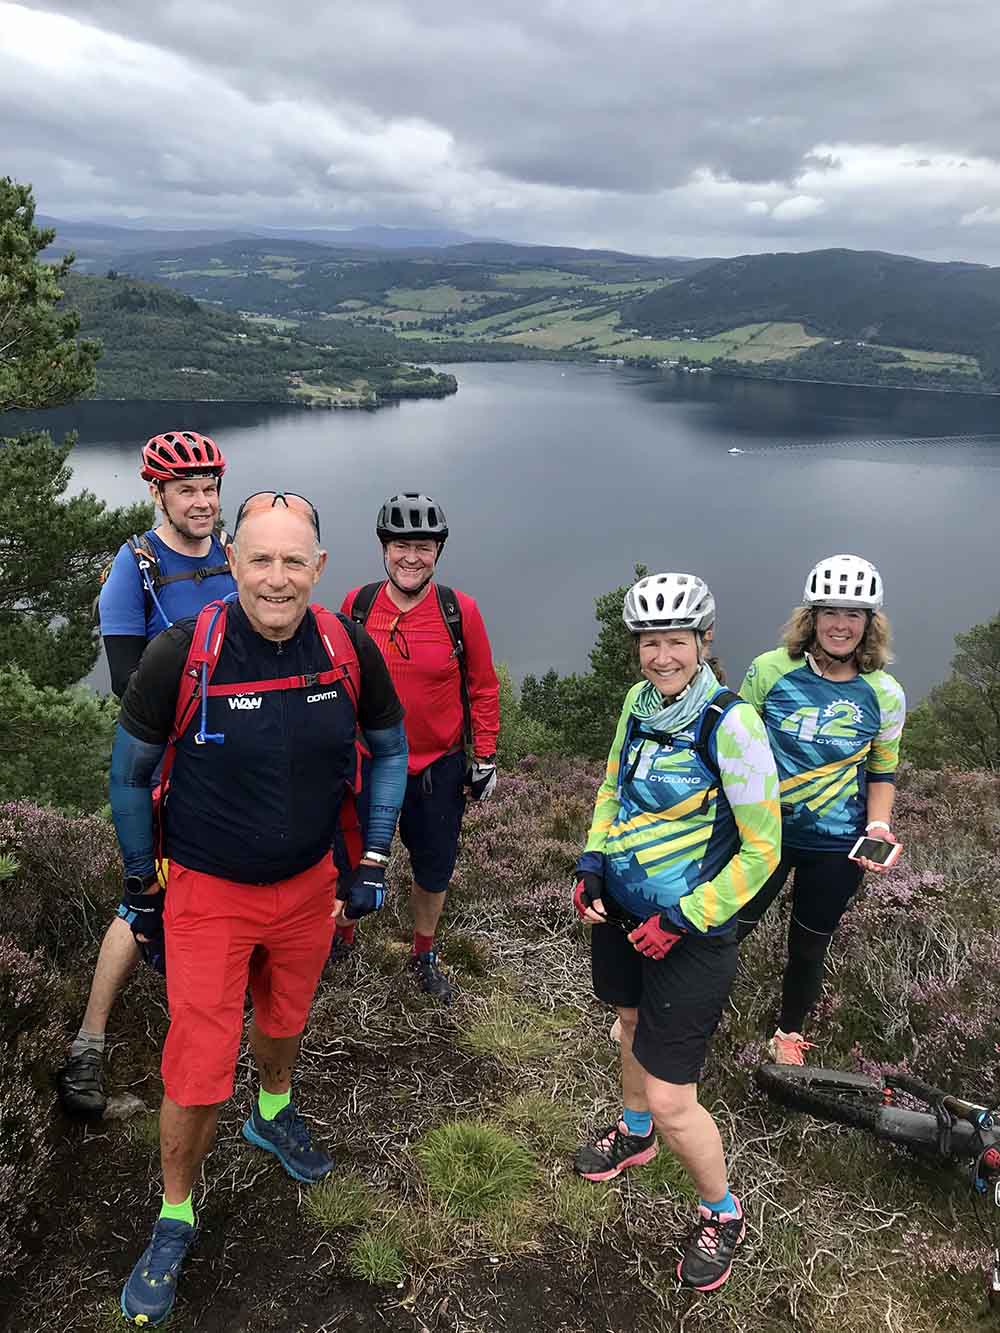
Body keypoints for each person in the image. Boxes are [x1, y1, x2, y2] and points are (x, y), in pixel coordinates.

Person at [110, 493, 408, 1327]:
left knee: (286, 1011)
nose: (277, 579)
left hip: (311, 884)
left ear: (318, 568)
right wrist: (142, 886)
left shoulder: (346, 648)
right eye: (260, 559)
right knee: (199, 1062)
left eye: (294, 562)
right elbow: (129, 775)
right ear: (233, 559)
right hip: (208, 890)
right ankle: (175, 1212)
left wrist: (375, 853)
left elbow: (389, 750)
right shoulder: (183, 653)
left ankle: (272, 1112)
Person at [573, 572, 780, 1292]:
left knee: (673, 1094)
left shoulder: (734, 724)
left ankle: (722, 1212)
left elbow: (763, 850)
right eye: (650, 642)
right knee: (627, 1023)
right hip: (626, 913)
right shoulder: (637, 701)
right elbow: (612, 787)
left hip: (690, 932)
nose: (662, 656)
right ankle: (633, 1136)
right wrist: (594, 861)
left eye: (676, 641)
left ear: (704, 641)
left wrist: (684, 918)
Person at [56, 431, 237, 1119]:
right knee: (143, 901)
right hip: (168, 767)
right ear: (157, 492)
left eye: (211, 487)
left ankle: (208, 1031)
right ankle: (87, 1048)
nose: (203, 500)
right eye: (187, 488)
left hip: (230, 765)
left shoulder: (229, 554)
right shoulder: (134, 565)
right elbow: (128, 683)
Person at [736, 554, 906, 1065]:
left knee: (809, 945)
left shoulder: (885, 694)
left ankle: (788, 1034)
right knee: (727, 927)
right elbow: (734, 743)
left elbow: (882, 770)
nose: (840, 624)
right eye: (830, 611)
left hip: (835, 846)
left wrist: (878, 825)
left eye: (854, 615)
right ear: (810, 618)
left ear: (869, 625)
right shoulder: (769, 670)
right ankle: (679, 1009)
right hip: (763, 833)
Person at [331, 492, 500, 1004]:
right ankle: (342, 936)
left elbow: (483, 685)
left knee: (432, 868)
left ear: (438, 552)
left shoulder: (458, 611)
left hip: (436, 769)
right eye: (400, 545)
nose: (411, 557)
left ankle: (423, 951)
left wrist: (485, 755)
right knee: (348, 860)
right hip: (367, 763)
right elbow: (339, 683)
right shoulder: (357, 606)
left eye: (423, 547)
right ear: (383, 549)